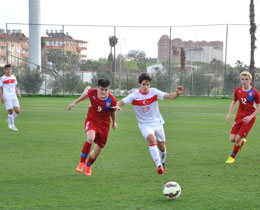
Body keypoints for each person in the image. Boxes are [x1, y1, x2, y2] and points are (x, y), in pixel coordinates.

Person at [116, 73, 184, 174]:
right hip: (144, 125)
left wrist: (177, 94)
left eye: (148, 84)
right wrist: (117, 106)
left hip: (157, 122)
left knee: (162, 146)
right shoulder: (134, 95)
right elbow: (122, 101)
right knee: (152, 140)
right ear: (140, 84)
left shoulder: (154, 92)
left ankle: (163, 162)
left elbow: (169, 96)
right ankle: (159, 166)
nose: (146, 87)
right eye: (144, 84)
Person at [67, 79, 117, 176]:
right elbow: (85, 95)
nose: (104, 92)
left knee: (97, 150)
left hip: (104, 125)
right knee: (90, 138)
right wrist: (74, 103)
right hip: (92, 120)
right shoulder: (92, 92)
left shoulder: (112, 100)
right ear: (97, 88)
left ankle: (88, 165)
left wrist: (114, 123)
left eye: (106, 90)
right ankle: (82, 162)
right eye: (102, 89)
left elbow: (112, 112)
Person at [225, 71, 260, 164]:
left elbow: (259, 106)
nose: (244, 81)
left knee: (237, 139)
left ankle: (232, 157)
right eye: (242, 79)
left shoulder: (254, 92)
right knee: (232, 139)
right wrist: (229, 113)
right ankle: (242, 143)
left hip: (249, 118)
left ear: (250, 80)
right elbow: (234, 101)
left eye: (246, 79)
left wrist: (251, 116)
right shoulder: (238, 90)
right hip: (239, 116)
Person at [0, 64, 21, 131]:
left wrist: (18, 92)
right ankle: (12, 125)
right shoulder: (2, 78)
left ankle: (9, 119)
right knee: (10, 111)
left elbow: (15, 86)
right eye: (7, 69)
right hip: (7, 96)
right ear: (5, 70)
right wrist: (2, 97)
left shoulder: (14, 77)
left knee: (17, 111)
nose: (8, 70)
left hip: (14, 96)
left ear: (11, 70)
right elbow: (0, 88)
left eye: (10, 69)